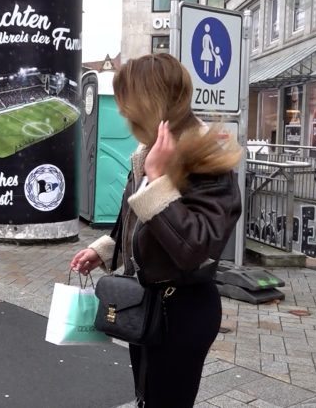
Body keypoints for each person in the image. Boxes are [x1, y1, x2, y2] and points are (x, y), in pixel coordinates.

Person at [70, 53, 242, 408]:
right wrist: (105, 250)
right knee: (147, 398)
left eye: (126, 103)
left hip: (182, 311)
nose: (122, 112)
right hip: (146, 302)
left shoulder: (205, 159)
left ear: (148, 103)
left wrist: (158, 180)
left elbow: (196, 247)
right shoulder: (149, 152)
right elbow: (133, 220)